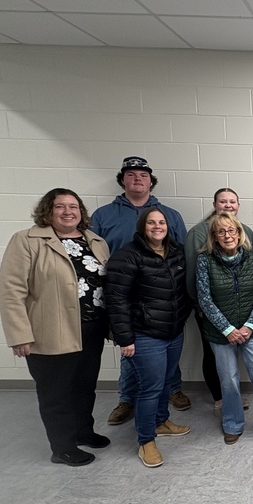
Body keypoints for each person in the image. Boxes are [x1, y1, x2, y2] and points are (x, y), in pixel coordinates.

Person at [0, 189, 110, 466]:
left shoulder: (95, 241)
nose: (68, 211)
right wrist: (19, 334)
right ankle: (62, 447)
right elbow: (10, 290)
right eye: (60, 206)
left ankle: (83, 431)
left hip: (91, 328)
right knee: (56, 392)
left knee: (85, 386)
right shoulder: (27, 241)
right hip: (50, 330)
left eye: (74, 206)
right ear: (48, 211)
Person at [90, 156, 191, 425]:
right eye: (132, 174)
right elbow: (93, 255)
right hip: (128, 300)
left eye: (143, 175)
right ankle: (127, 399)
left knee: (167, 352)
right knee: (131, 352)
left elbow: (181, 257)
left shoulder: (170, 215)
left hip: (165, 303)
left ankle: (172, 392)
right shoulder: (104, 215)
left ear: (151, 181)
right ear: (122, 179)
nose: (138, 179)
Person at [105, 209, 192, 468]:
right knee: (150, 388)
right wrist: (125, 338)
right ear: (142, 227)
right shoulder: (127, 256)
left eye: (161, 222)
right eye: (151, 223)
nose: (157, 227)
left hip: (173, 331)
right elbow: (116, 300)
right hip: (144, 335)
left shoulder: (175, 252)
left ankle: (161, 421)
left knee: (166, 382)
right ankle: (146, 440)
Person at [197, 212, 253, 444]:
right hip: (220, 333)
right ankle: (233, 424)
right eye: (221, 231)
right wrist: (227, 329)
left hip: (250, 330)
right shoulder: (205, 261)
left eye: (232, 230)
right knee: (229, 379)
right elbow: (205, 299)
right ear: (214, 236)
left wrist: (248, 325)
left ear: (239, 233)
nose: (227, 235)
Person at [185, 188, 253, 417]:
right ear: (214, 204)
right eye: (223, 201)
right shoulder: (198, 233)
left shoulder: (245, 232)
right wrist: (201, 307)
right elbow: (192, 273)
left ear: (238, 205)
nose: (228, 205)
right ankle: (219, 398)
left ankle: (232, 395)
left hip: (241, 307)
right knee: (213, 353)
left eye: (232, 202)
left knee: (235, 356)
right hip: (210, 309)